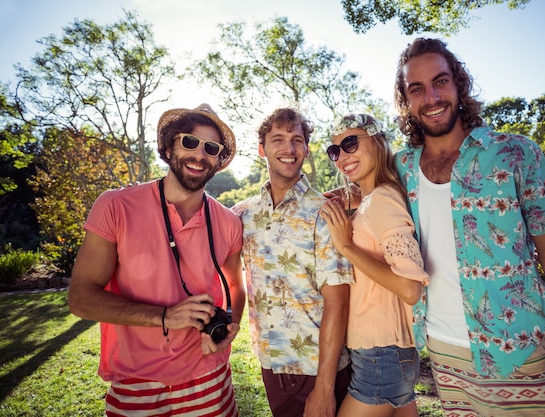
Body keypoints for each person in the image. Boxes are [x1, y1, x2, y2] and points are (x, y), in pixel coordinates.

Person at [393, 37, 545, 416]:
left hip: (519, 351)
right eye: (416, 88)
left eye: (441, 81)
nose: (431, 97)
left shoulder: (515, 152)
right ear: (406, 100)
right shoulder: (398, 169)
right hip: (443, 354)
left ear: (459, 84)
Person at [68, 103, 245, 417]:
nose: (199, 154)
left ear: (219, 160)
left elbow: (235, 285)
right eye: (189, 142)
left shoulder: (230, 222)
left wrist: (230, 325)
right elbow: (81, 298)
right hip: (137, 381)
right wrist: (164, 316)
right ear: (169, 146)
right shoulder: (115, 206)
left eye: (211, 148)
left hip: (211, 378)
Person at [231, 107, 354, 417]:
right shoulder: (243, 215)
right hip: (272, 364)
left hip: (319, 369)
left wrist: (324, 388)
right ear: (262, 149)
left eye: (297, 140)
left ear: (306, 149)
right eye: (278, 139)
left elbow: (338, 303)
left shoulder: (324, 212)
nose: (289, 149)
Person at [320, 113, 430, 417]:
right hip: (387, 354)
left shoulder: (382, 198)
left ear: (378, 141)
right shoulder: (370, 199)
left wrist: (346, 246)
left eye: (350, 143)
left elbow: (410, 289)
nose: (342, 156)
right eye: (335, 151)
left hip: (382, 356)